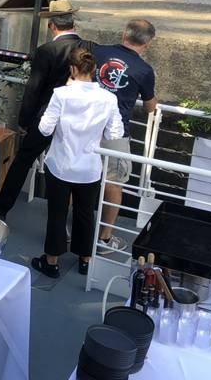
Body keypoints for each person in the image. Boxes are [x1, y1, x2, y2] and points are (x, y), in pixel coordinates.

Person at [0, 0, 91, 220]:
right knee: (72, 167)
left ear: (52, 25)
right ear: (72, 22)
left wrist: (24, 120)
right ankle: (67, 221)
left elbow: (33, 88)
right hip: (76, 118)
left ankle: (0, 211)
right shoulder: (87, 47)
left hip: (47, 114)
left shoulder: (46, 50)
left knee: (23, 161)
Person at [31, 48, 124, 278]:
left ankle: (51, 262)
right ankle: (85, 260)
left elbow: (45, 129)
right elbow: (115, 133)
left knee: (57, 214)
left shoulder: (61, 95)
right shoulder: (109, 98)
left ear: (71, 69)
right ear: (94, 70)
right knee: (86, 213)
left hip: (61, 164)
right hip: (90, 167)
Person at [92, 19, 157, 255]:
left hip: (84, 126)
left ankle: (72, 231)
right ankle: (104, 240)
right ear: (147, 43)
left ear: (123, 34)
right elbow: (150, 107)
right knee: (113, 184)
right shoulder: (144, 70)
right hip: (115, 132)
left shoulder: (98, 52)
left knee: (78, 177)